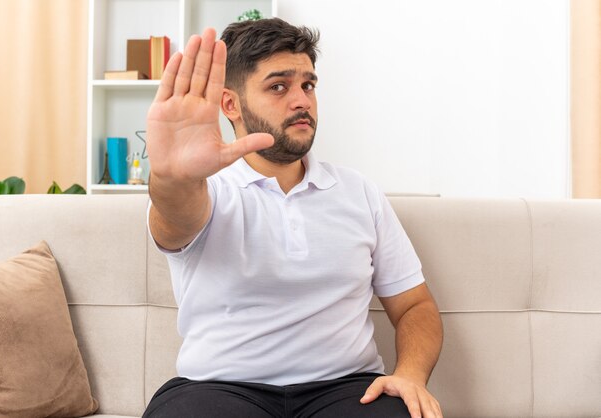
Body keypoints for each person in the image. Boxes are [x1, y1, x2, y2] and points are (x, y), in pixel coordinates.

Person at [144, 18, 443, 418]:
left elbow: (414, 306)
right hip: (218, 390)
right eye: (279, 86)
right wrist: (170, 176)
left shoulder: (359, 193)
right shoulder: (204, 190)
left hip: (347, 390)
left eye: (309, 85)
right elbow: (176, 215)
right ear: (230, 104)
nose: (302, 100)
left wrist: (410, 375)